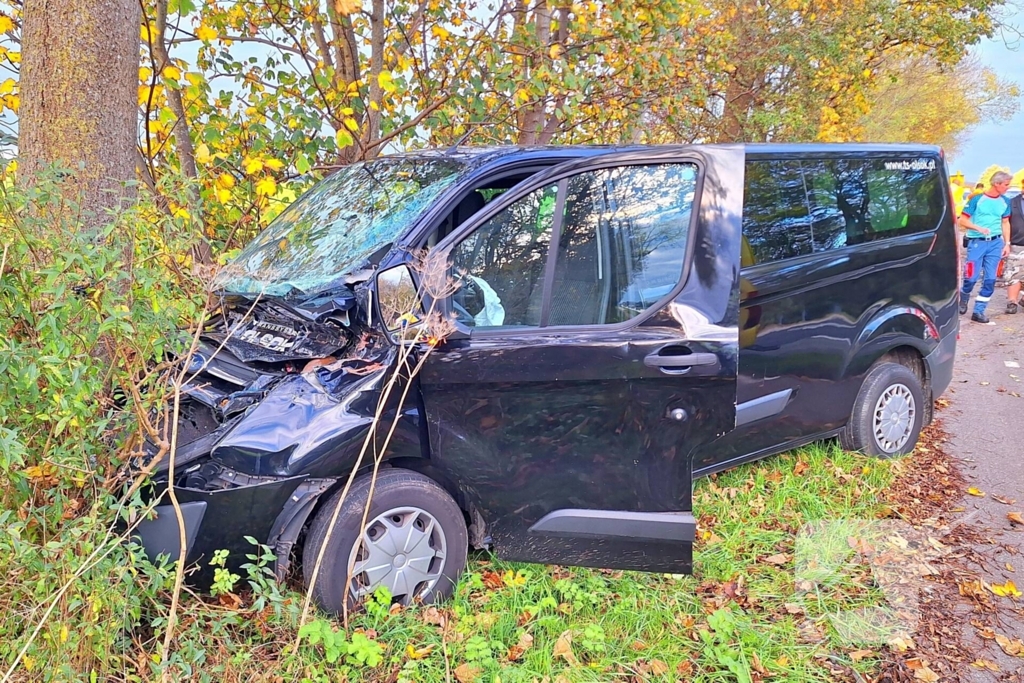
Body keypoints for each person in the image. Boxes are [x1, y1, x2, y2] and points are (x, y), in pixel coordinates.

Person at [959, 171, 1013, 324]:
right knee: (971, 277)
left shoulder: (1005, 201)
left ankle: (979, 311)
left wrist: (1007, 243)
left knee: (990, 279)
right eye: (1006, 185)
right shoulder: (977, 199)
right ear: (997, 184)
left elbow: (1005, 223)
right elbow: (962, 220)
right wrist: (978, 228)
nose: (1008, 188)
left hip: (996, 244)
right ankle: (963, 298)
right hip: (977, 243)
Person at [1006, 182, 1024, 313]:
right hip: (1017, 243)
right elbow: (1004, 222)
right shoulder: (1012, 202)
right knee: (1013, 274)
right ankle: (1012, 302)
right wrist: (1006, 242)